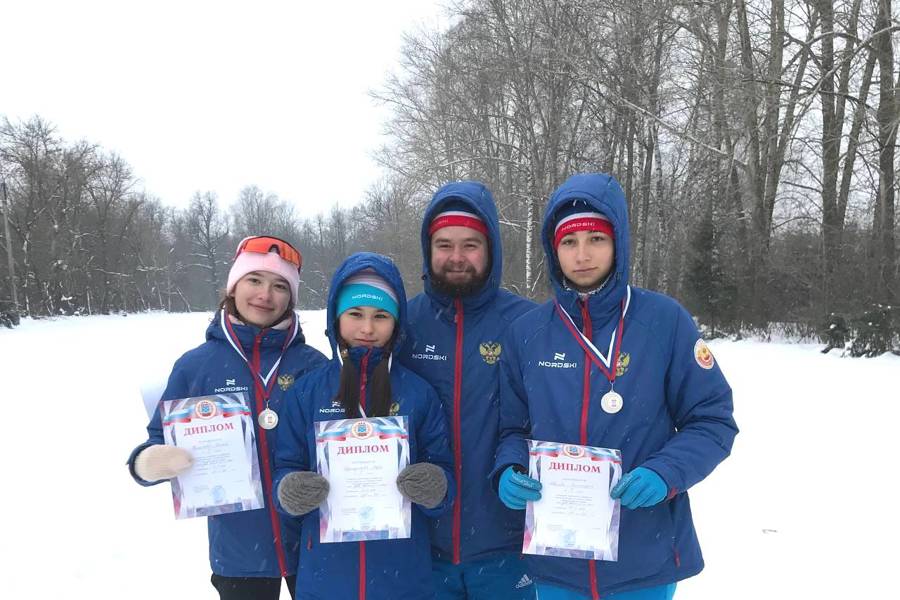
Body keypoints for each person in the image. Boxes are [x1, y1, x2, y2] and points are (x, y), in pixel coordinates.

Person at [493, 173, 738, 600]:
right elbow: (512, 428)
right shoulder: (527, 334)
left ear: (618, 243)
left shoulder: (665, 322)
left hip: (644, 558)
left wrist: (665, 472)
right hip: (556, 560)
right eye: (569, 242)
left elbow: (712, 421)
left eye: (596, 239)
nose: (582, 254)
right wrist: (509, 469)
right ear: (554, 250)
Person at [127, 235, 328, 600]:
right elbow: (158, 437)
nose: (265, 295)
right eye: (254, 280)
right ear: (233, 286)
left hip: (312, 545)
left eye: (280, 285)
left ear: (292, 297)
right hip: (238, 553)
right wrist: (150, 461)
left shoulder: (314, 365)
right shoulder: (196, 366)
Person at [273, 251, 455, 600]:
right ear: (336, 317)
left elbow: (443, 470)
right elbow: (286, 466)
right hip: (327, 576)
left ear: (396, 323)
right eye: (355, 314)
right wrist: (288, 490)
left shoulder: (418, 392)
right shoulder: (307, 392)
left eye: (381, 316)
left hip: (402, 576)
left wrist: (438, 487)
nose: (368, 328)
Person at [399, 181, 537, 599]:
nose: (456, 257)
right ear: (428, 250)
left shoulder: (530, 324)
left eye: (470, 244)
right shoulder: (400, 324)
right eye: (444, 244)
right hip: (421, 546)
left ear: (491, 249)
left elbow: (558, 414)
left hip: (509, 547)